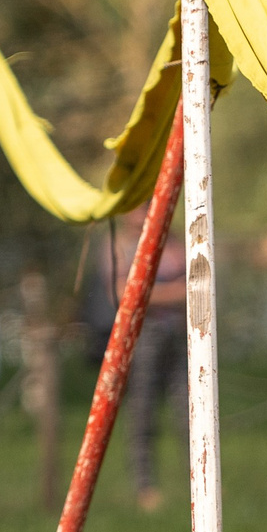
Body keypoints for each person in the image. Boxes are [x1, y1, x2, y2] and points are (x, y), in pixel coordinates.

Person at [110, 212, 186, 512]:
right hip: (142, 337)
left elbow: (199, 284)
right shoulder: (120, 247)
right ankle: (145, 487)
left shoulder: (176, 244)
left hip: (179, 336)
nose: (138, 217)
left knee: (188, 411)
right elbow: (126, 294)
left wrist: (152, 294)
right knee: (142, 412)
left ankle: (201, 481)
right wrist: (174, 293)